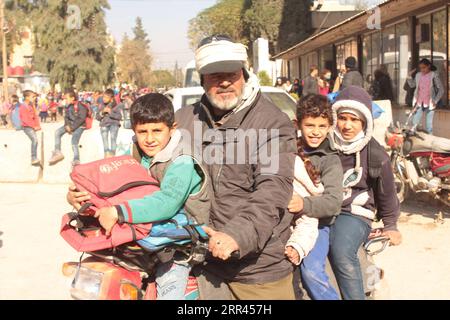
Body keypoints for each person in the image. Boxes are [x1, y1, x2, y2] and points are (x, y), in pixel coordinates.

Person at [173, 35, 297, 300]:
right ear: (202, 79)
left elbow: (273, 189)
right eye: (215, 75)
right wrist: (93, 194)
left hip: (257, 270)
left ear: (244, 72)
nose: (225, 82)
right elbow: (146, 169)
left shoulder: (272, 124)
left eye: (231, 73)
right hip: (200, 263)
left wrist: (236, 235)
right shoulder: (182, 122)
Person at [70, 93, 210, 300]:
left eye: (157, 131)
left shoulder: (183, 160)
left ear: (172, 128)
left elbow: (167, 202)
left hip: (178, 245)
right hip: (144, 238)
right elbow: (112, 181)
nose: (150, 138)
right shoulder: (136, 151)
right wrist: (78, 195)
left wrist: (118, 211)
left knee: (170, 293)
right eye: (142, 131)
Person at [328, 86, 402, 300]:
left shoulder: (375, 154)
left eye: (355, 119)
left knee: (341, 251)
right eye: (342, 118)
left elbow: (387, 193)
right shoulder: (325, 144)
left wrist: (391, 225)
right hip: (320, 209)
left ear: (365, 122)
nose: (347, 125)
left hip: (353, 213)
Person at [285, 94, 343, 300]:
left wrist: (303, 204)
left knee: (311, 272)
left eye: (322, 126)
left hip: (319, 226)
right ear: (298, 124)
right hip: (286, 221)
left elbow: (334, 202)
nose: (316, 132)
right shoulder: (287, 149)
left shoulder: (330, 160)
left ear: (329, 127)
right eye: (310, 125)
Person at [48, 90, 88, 167]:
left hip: (79, 126)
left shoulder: (81, 106)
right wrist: (67, 125)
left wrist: (72, 128)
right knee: (57, 132)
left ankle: (76, 159)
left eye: (66, 98)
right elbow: (66, 117)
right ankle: (57, 152)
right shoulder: (68, 106)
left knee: (74, 141)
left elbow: (81, 119)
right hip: (70, 125)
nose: (65, 100)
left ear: (72, 98)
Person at [408, 58, 445, 134]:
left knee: (429, 126)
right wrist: (409, 76)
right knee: (414, 122)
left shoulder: (434, 75)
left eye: (424, 67)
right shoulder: (418, 75)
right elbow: (412, 85)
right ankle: (412, 141)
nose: (422, 70)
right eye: (420, 68)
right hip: (419, 103)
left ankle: (430, 141)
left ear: (428, 66)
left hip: (430, 103)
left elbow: (441, 89)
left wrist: (436, 100)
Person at [97, 89, 123, 158]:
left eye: (106, 97)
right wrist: (102, 112)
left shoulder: (117, 105)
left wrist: (110, 112)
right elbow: (97, 117)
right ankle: (106, 153)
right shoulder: (101, 105)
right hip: (104, 124)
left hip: (114, 123)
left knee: (113, 137)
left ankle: (112, 153)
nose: (104, 99)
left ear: (111, 98)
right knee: (104, 137)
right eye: (103, 97)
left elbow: (119, 117)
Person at [19, 90, 41, 166]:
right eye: (33, 97)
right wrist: (33, 126)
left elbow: (35, 116)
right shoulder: (23, 106)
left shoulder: (31, 105)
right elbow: (25, 119)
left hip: (32, 126)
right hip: (27, 127)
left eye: (35, 97)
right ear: (26, 97)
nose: (34, 98)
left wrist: (38, 126)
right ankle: (33, 157)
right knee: (35, 140)